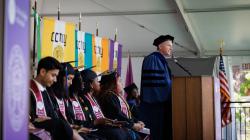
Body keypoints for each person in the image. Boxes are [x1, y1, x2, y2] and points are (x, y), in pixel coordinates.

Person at [76, 69, 131, 140]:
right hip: (92, 130)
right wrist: (98, 122)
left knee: (123, 132)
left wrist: (111, 122)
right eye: (97, 81)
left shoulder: (94, 98)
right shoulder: (82, 99)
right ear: (91, 84)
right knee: (118, 134)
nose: (99, 83)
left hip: (101, 128)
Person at [29, 56, 74, 140]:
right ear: (42, 72)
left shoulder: (47, 92)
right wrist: (36, 120)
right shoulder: (28, 90)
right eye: (53, 75)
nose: (55, 80)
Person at [140, 35, 174, 140]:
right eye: (168, 45)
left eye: (171, 46)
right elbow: (155, 83)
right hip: (154, 105)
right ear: (160, 46)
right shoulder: (153, 59)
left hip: (160, 104)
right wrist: (172, 91)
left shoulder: (160, 60)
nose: (171, 48)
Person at [98, 70, 145, 140]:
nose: (122, 84)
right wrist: (133, 125)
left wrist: (136, 121)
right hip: (117, 130)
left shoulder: (116, 96)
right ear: (112, 83)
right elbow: (118, 115)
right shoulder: (108, 96)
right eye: (119, 81)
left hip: (124, 128)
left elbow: (127, 114)